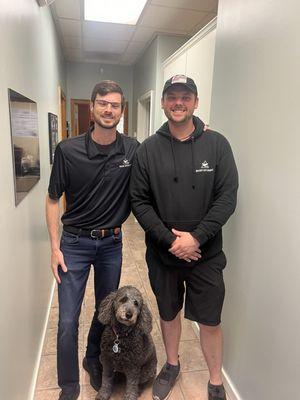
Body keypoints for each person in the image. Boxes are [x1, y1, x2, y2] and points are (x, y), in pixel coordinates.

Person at [130, 75, 238, 400]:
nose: (179, 102)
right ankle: (172, 365)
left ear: (195, 102)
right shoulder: (147, 150)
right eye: (172, 96)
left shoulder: (217, 145)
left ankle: (215, 380)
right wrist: (172, 241)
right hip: (163, 254)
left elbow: (227, 197)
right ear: (163, 102)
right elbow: (139, 201)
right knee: (168, 313)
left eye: (186, 96)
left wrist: (196, 239)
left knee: (210, 319)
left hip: (206, 255)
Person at [46, 80, 139, 400]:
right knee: (67, 320)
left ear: (122, 111)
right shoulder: (68, 150)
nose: (109, 109)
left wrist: (199, 133)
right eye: (103, 103)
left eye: (115, 104)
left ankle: (92, 358)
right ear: (93, 105)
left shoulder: (132, 150)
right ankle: (69, 386)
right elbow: (51, 199)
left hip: (111, 245)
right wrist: (55, 247)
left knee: (107, 310)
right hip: (73, 243)